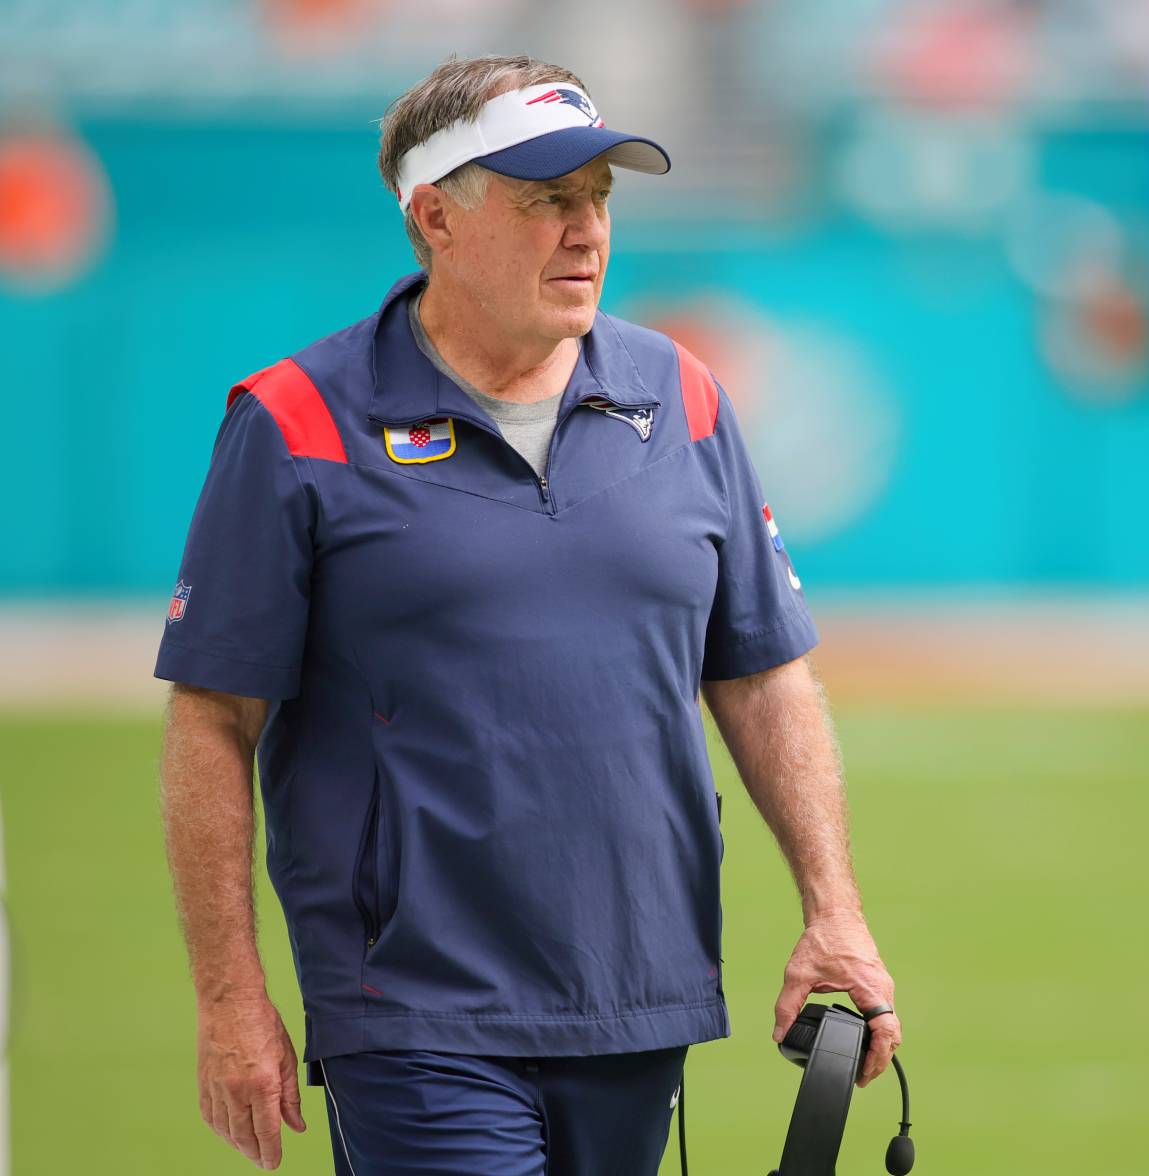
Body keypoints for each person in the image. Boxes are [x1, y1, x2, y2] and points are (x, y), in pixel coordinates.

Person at [155, 53, 902, 1175]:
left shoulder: (681, 395)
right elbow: (213, 721)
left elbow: (761, 674)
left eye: (597, 196)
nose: (585, 230)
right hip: (412, 1011)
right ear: (434, 219)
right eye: (544, 199)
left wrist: (832, 910)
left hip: (637, 998)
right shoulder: (297, 421)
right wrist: (230, 997)